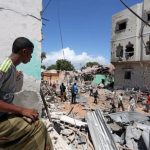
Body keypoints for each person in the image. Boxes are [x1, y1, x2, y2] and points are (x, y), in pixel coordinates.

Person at [0, 37, 53, 150]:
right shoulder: (5, 68)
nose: (31, 57)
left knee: (34, 118)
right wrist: (22, 110)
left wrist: (16, 75)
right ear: (24, 51)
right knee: (39, 127)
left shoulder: (11, 68)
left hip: (3, 115)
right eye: (30, 54)